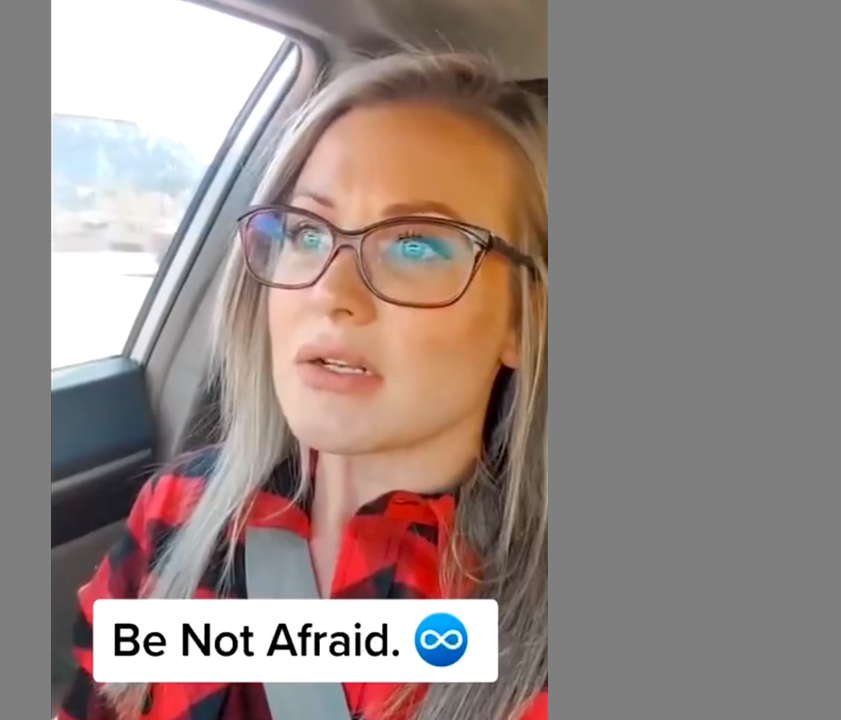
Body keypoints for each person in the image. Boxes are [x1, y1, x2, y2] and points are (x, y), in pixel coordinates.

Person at [55, 50, 548, 720]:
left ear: (523, 316)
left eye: (416, 246)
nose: (331, 291)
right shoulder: (181, 509)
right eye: (308, 233)